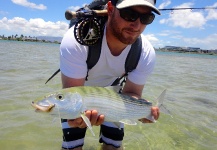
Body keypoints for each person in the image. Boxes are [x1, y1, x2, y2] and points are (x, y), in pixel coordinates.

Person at [59, 0, 161, 149]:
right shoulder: (77, 40)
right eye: (129, 14)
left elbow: (132, 92)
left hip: (114, 97)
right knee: (72, 146)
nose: (137, 25)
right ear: (111, 9)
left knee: (113, 147)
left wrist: (141, 110)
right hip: (80, 93)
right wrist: (74, 118)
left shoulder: (145, 53)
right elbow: (72, 93)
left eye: (146, 18)